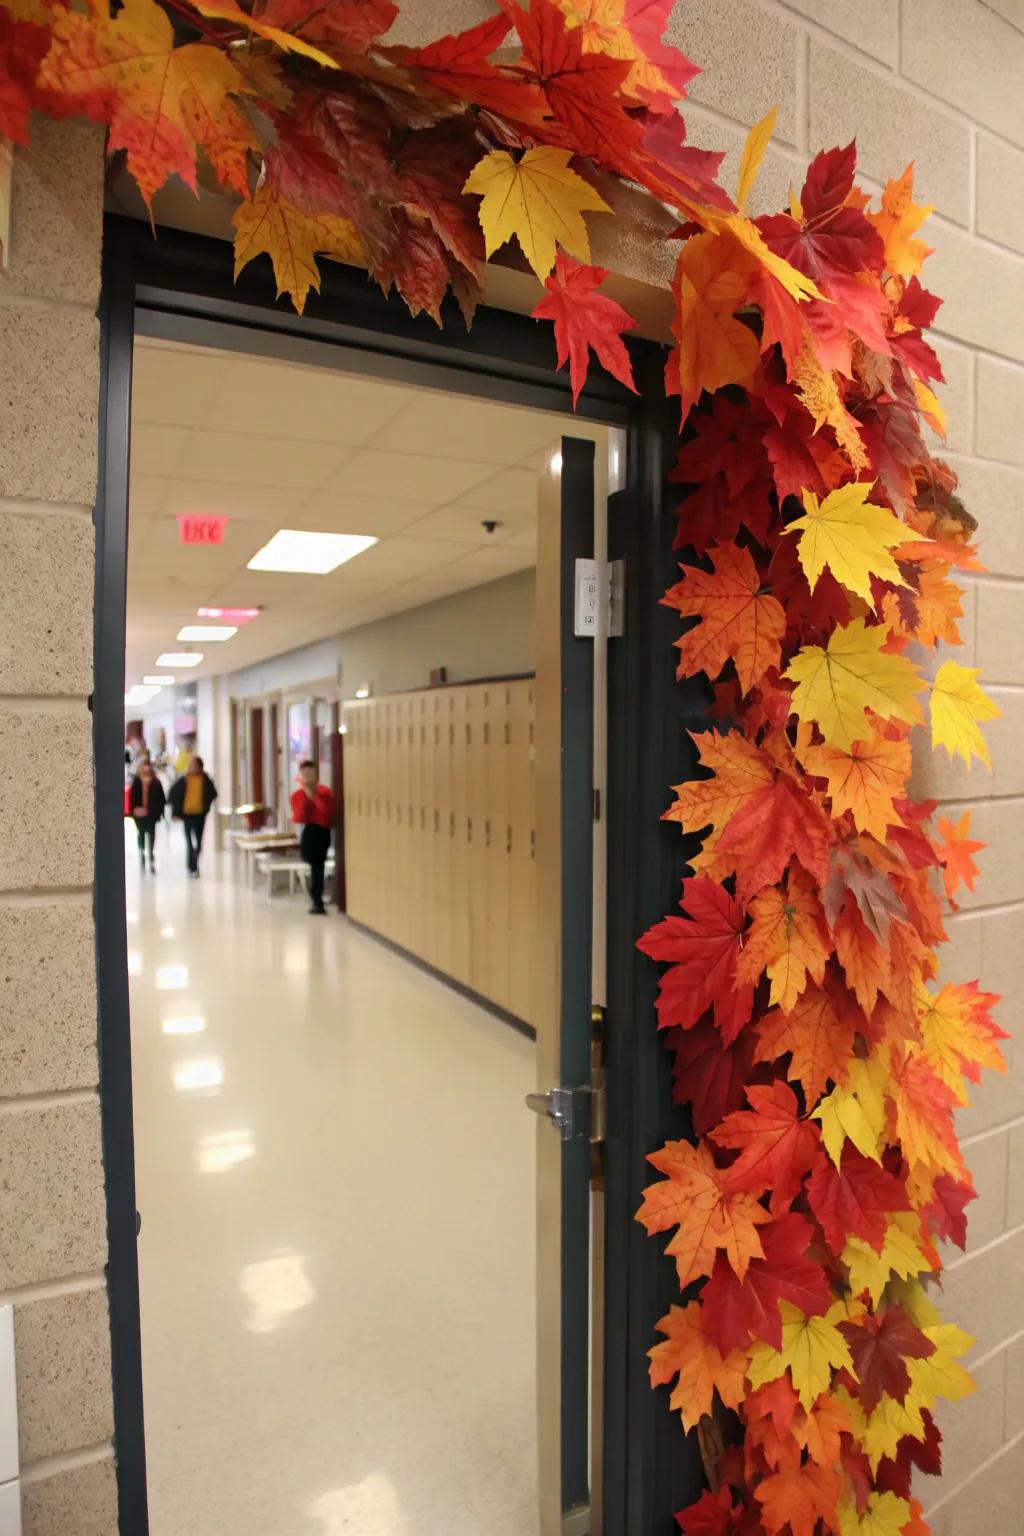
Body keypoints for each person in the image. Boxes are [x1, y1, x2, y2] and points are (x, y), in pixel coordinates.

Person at [290, 759, 335, 916]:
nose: (309, 776)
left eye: (311, 773)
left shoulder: (325, 792)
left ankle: (317, 899)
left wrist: (314, 796)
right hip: (309, 831)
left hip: (322, 831)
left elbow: (327, 814)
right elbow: (299, 817)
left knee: (318, 865)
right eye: (305, 773)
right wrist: (306, 796)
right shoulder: (297, 795)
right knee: (311, 861)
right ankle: (315, 896)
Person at [169, 754, 218, 878]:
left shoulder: (205, 780)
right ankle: (191, 866)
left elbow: (213, 794)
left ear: (200, 766)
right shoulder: (184, 780)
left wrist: (206, 805)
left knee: (198, 841)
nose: (192, 767)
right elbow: (173, 795)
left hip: (200, 815)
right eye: (191, 765)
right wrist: (176, 812)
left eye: (194, 765)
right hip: (187, 814)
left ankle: (195, 862)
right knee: (189, 841)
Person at [128, 758, 166, 873]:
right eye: (143, 766)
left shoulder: (155, 782)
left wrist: (159, 813)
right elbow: (132, 799)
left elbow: (161, 799)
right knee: (141, 834)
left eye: (147, 766)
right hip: (139, 815)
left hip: (151, 815)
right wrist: (132, 811)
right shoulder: (137, 781)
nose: (146, 768)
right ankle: (142, 853)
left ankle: (150, 856)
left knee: (151, 835)